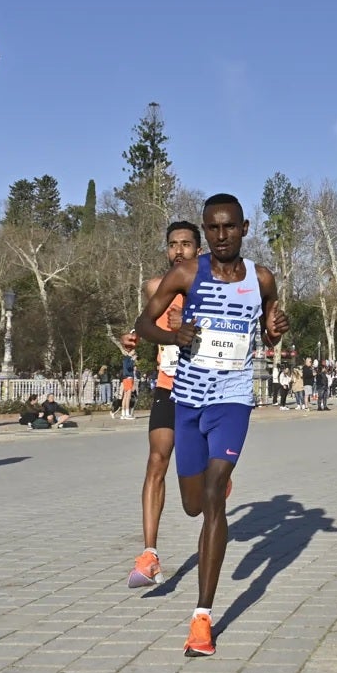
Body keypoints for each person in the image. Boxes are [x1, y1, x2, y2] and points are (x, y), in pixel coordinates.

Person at [134, 194, 289, 658]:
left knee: (216, 496)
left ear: (244, 227)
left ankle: (202, 619)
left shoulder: (261, 278)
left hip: (233, 399)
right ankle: (212, 481)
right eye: (213, 229)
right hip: (188, 400)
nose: (221, 236)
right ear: (207, 231)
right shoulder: (186, 274)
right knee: (192, 505)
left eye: (229, 228)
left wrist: (275, 329)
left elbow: (268, 326)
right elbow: (145, 322)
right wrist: (171, 334)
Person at [120, 220, 202, 589]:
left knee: (195, 496)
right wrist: (134, 338)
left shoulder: (211, 288)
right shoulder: (155, 287)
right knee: (156, 460)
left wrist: (188, 323)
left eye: (186, 244)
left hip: (204, 390)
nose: (178, 250)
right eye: (172, 244)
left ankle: (216, 481)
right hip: (168, 386)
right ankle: (149, 554)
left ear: (198, 250)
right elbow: (145, 325)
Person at [118, 351, 137, 419]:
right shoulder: (128, 359)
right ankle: (127, 414)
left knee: (125, 397)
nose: (134, 353)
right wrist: (132, 360)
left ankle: (123, 414)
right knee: (128, 397)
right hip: (128, 379)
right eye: (133, 352)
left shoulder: (126, 359)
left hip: (126, 379)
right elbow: (128, 367)